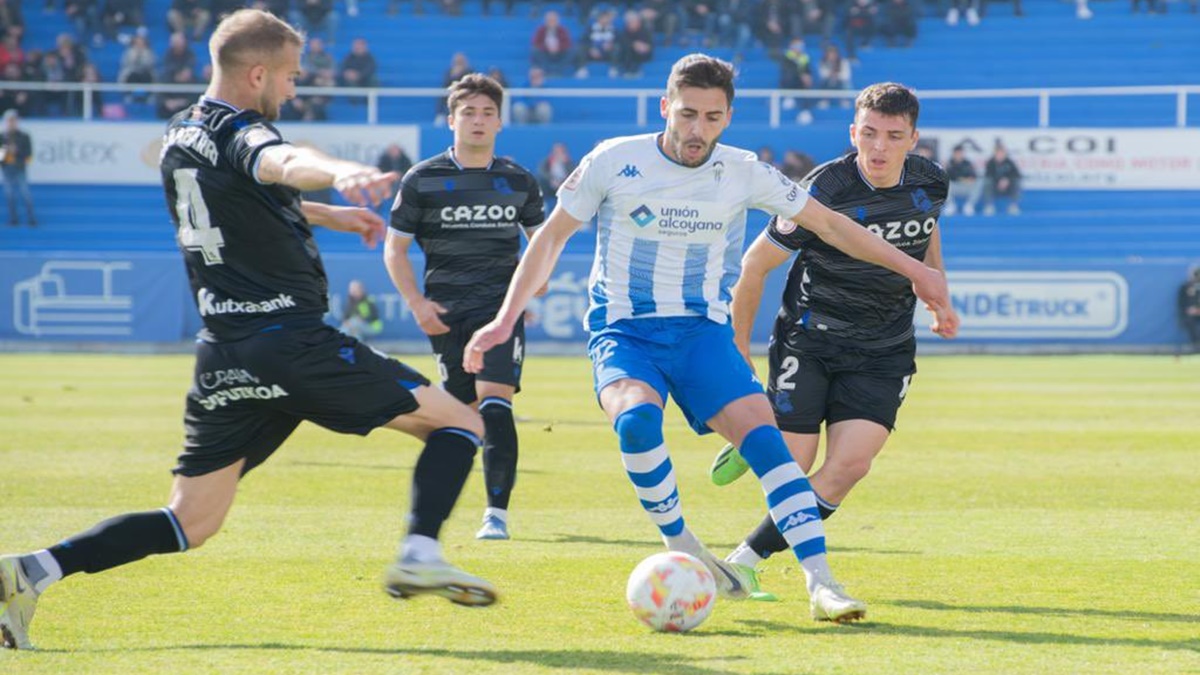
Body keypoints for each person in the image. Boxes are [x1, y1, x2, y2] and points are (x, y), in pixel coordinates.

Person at [0, 9, 499, 652]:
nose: (293, 88)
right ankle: (420, 552)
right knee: (462, 423)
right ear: (257, 72)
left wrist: (329, 216)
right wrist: (340, 171)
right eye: (289, 76)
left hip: (225, 354)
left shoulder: (181, 131)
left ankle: (28, 571)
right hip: (291, 341)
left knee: (190, 520)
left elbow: (238, 199)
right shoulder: (248, 130)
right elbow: (280, 161)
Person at [463, 55, 957, 622]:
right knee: (636, 420)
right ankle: (683, 544)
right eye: (688, 114)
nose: (698, 129)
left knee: (773, 448)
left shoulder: (744, 170)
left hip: (701, 332)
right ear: (665, 107)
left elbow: (834, 226)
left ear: (728, 117)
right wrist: (505, 320)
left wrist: (920, 273)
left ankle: (822, 585)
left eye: (713, 117)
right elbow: (549, 239)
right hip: (626, 329)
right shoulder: (613, 160)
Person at [706, 82, 959, 601]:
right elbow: (754, 267)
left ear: (913, 138)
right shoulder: (824, 190)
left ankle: (742, 561)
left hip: (884, 347)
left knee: (848, 467)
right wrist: (739, 350)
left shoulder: (933, 181)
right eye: (869, 134)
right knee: (793, 466)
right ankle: (758, 440)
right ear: (853, 133)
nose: (879, 147)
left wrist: (940, 296)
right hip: (810, 340)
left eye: (893, 136)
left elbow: (927, 234)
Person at [385, 73, 546, 542]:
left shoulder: (518, 180)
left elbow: (542, 243)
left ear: (500, 121)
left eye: (487, 113)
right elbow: (395, 250)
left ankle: (496, 514)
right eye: (469, 112)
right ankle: (432, 514)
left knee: (496, 406)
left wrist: (535, 285)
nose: (478, 120)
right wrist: (416, 303)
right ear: (451, 120)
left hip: (499, 313)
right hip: (445, 315)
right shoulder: (423, 179)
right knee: (460, 418)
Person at [1, 108, 35, 227]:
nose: (11, 123)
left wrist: (18, 153)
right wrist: (7, 152)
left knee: (25, 193)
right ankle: (13, 219)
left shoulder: (24, 136)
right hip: (7, 169)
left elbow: (29, 154)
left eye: (13, 120)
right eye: (9, 121)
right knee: (9, 194)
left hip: (20, 167)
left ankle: (31, 218)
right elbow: (0, 157)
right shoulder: (2, 137)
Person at [982, 142, 1021, 216]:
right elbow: (988, 175)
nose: (1000, 155)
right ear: (995, 153)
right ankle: (989, 206)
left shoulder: (1009, 162)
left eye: (1002, 153)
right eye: (998, 153)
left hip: (1007, 188)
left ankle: (1013, 206)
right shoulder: (990, 163)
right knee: (987, 182)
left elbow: (1017, 175)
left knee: (1017, 182)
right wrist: (998, 181)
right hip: (995, 188)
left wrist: (1007, 180)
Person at [944, 144, 981, 216]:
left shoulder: (967, 163)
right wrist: (963, 179)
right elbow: (951, 176)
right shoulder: (949, 163)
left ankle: (969, 205)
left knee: (979, 182)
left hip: (966, 187)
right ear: (953, 154)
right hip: (954, 187)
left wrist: (969, 179)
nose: (958, 155)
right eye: (957, 153)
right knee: (944, 182)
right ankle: (951, 205)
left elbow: (973, 176)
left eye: (960, 153)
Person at [1179, 265, 1200, 352]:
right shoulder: (1185, 287)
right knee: (1189, 321)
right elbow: (1181, 303)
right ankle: (1196, 344)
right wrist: (1190, 310)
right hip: (1191, 313)